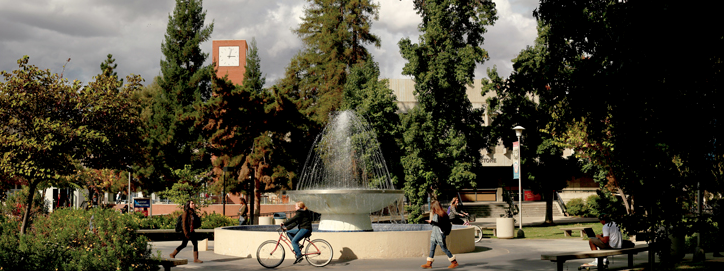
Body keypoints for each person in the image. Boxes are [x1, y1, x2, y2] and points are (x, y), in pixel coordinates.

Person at [421, 200, 458, 269]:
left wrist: (432, 222)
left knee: (444, 249)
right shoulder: (437, 214)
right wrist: (432, 222)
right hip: (434, 235)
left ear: (435, 207)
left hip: (440, 234)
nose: (432, 209)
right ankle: (429, 263)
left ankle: (454, 262)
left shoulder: (442, 215)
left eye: (433, 207)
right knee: (432, 248)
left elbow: (441, 225)